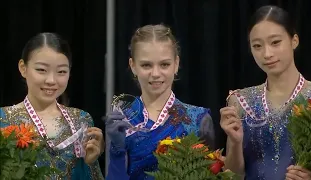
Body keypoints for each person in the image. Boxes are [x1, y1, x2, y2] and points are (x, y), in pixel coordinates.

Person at [219, 5, 311, 180]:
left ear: (294, 40)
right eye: (257, 46)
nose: (267, 53)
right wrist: (234, 142)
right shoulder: (241, 101)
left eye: (275, 42)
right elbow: (233, 175)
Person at [104, 24, 216, 179]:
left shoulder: (199, 119)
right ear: (133, 66)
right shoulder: (123, 119)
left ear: (176, 64)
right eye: (146, 65)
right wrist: (117, 150)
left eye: (164, 64)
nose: (155, 73)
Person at [0, 33, 104, 180]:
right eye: (41, 70)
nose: (51, 80)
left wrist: (89, 162)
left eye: (61, 72)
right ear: (23, 68)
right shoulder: (3, 119)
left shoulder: (80, 120)